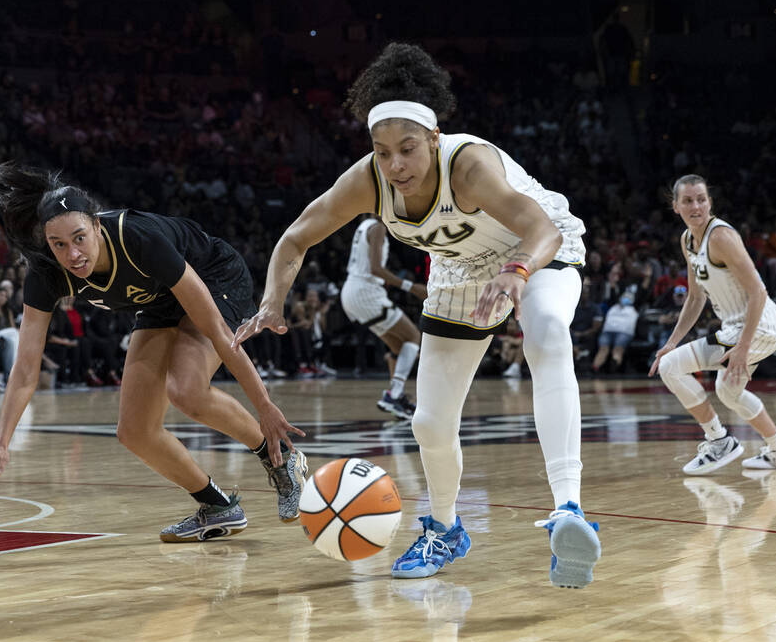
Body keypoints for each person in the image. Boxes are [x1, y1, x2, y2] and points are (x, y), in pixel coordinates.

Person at [233, 42, 600, 588]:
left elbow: (541, 230)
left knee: (545, 335)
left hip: (535, 249)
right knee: (428, 422)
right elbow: (294, 238)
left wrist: (517, 272)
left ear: (433, 138)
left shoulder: (468, 165)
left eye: (407, 149)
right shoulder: (367, 180)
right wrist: (271, 303)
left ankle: (568, 509)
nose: (395, 165)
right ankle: (446, 530)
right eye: (383, 152)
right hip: (460, 271)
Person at [0, 162, 308, 543]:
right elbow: (25, 370)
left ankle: (281, 459)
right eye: (59, 244)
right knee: (134, 431)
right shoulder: (46, 273)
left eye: (79, 238)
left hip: (213, 275)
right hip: (158, 298)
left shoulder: (138, 238)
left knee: (186, 389)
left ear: (96, 225)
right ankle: (218, 506)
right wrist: (0, 441)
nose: (72, 254)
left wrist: (265, 406)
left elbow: (219, 334)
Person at [649, 175, 776, 475]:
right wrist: (671, 342)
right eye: (688, 200)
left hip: (758, 325)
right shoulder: (687, 240)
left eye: (701, 199)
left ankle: (718, 440)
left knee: (670, 367)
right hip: (740, 328)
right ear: (675, 206)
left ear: (710, 202)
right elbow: (695, 297)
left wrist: (743, 348)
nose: (696, 206)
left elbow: (758, 291)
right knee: (728, 391)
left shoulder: (720, 237)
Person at [340, 214, 426, 418]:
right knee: (413, 337)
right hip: (366, 292)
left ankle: (395, 399)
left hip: (351, 292)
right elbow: (376, 269)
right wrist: (411, 287)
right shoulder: (378, 227)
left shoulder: (363, 225)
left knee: (398, 347)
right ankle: (394, 395)